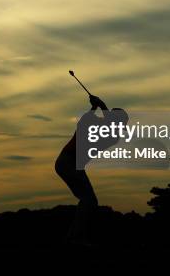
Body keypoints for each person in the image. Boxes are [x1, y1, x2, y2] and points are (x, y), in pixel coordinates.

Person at [55, 94, 127, 245]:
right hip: (68, 161)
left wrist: (99, 105)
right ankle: (75, 237)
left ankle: (74, 236)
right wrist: (97, 106)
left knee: (88, 200)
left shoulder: (112, 134)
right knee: (89, 200)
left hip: (69, 163)